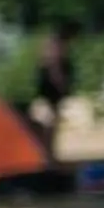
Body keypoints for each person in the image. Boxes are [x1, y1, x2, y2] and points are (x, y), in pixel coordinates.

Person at [30, 25, 76, 162]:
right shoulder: (54, 56)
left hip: (48, 95)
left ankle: (47, 154)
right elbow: (56, 74)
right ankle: (47, 155)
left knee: (49, 127)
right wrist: (62, 86)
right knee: (50, 127)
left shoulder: (48, 54)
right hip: (50, 95)